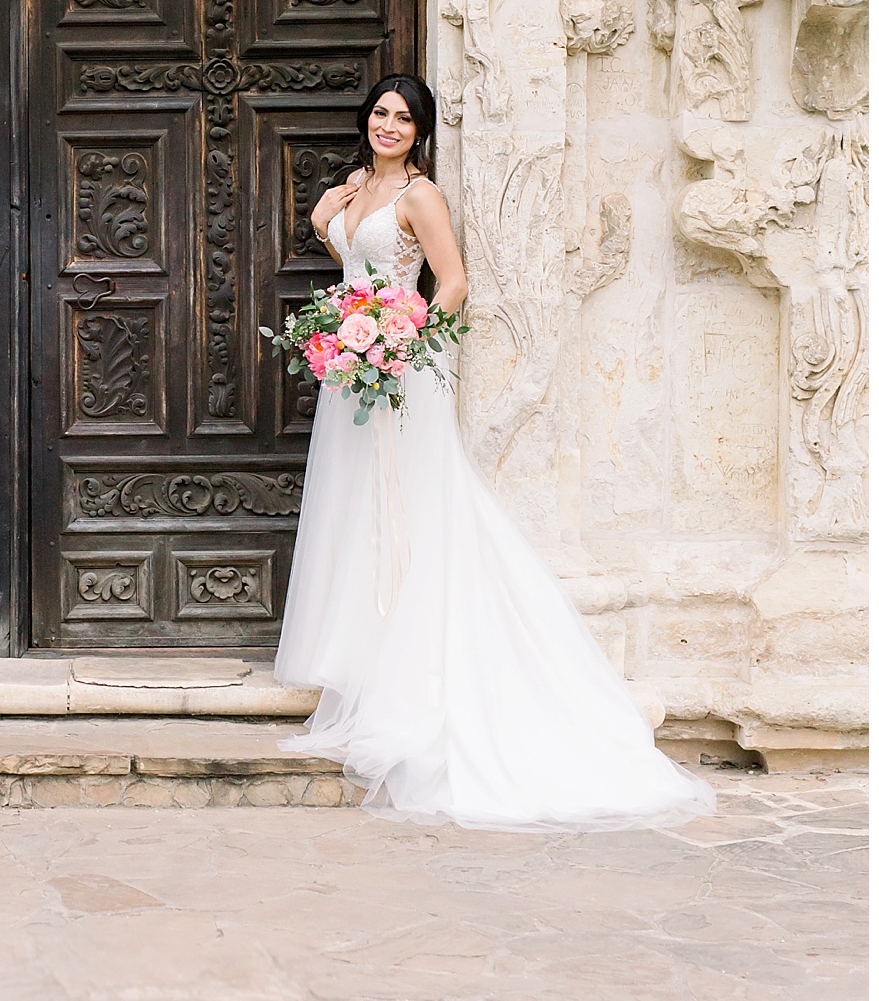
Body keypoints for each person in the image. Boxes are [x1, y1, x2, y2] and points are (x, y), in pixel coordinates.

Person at [273, 73, 713, 828]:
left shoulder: (420, 197)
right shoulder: (354, 188)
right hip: (355, 372)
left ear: (421, 132)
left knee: (417, 510)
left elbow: (453, 282)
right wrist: (324, 223)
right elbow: (354, 262)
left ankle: (423, 673)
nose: (388, 125)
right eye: (380, 113)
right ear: (365, 120)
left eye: (403, 119)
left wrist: (399, 340)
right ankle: (366, 661)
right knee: (360, 512)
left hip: (403, 369)